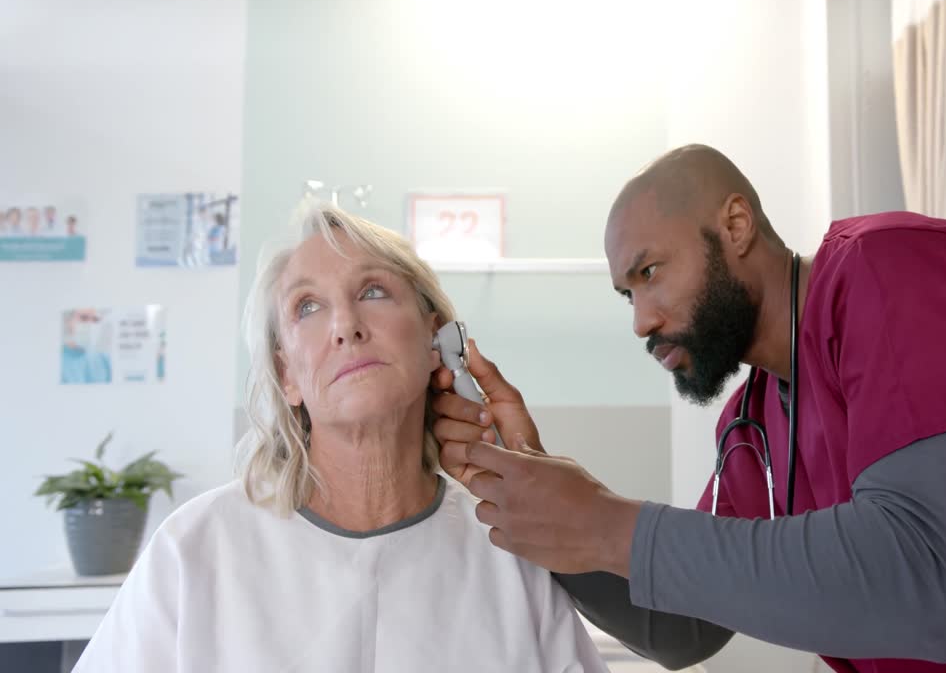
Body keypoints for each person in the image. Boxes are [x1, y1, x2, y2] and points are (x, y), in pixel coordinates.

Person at [430, 144, 946, 672]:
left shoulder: (895, 270)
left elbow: (924, 584)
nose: (641, 320)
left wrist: (606, 522)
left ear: (735, 225)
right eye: (624, 294)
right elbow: (683, 628)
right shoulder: (754, 427)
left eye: (649, 273)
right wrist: (530, 495)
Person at [74, 203, 607, 673]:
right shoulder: (192, 553)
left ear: (436, 339)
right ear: (287, 375)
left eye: (373, 291)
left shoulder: (508, 557)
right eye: (308, 306)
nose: (345, 326)